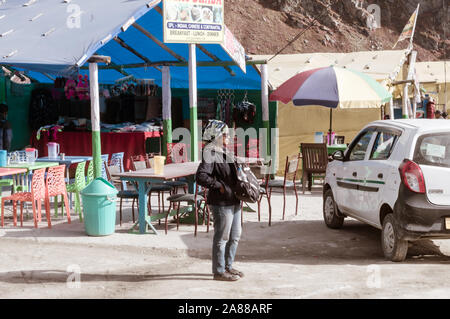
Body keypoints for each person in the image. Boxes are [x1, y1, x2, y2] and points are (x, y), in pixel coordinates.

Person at [196, 120, 243, 282]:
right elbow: (201, 176)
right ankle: (219, 271)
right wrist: (219, 186)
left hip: (234, 200)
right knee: (222, 237)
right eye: (225, 134)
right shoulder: (210, 152)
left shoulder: (223, 151)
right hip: (221, 202)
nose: (229, 136)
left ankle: (228, 266)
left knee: (235, 235)